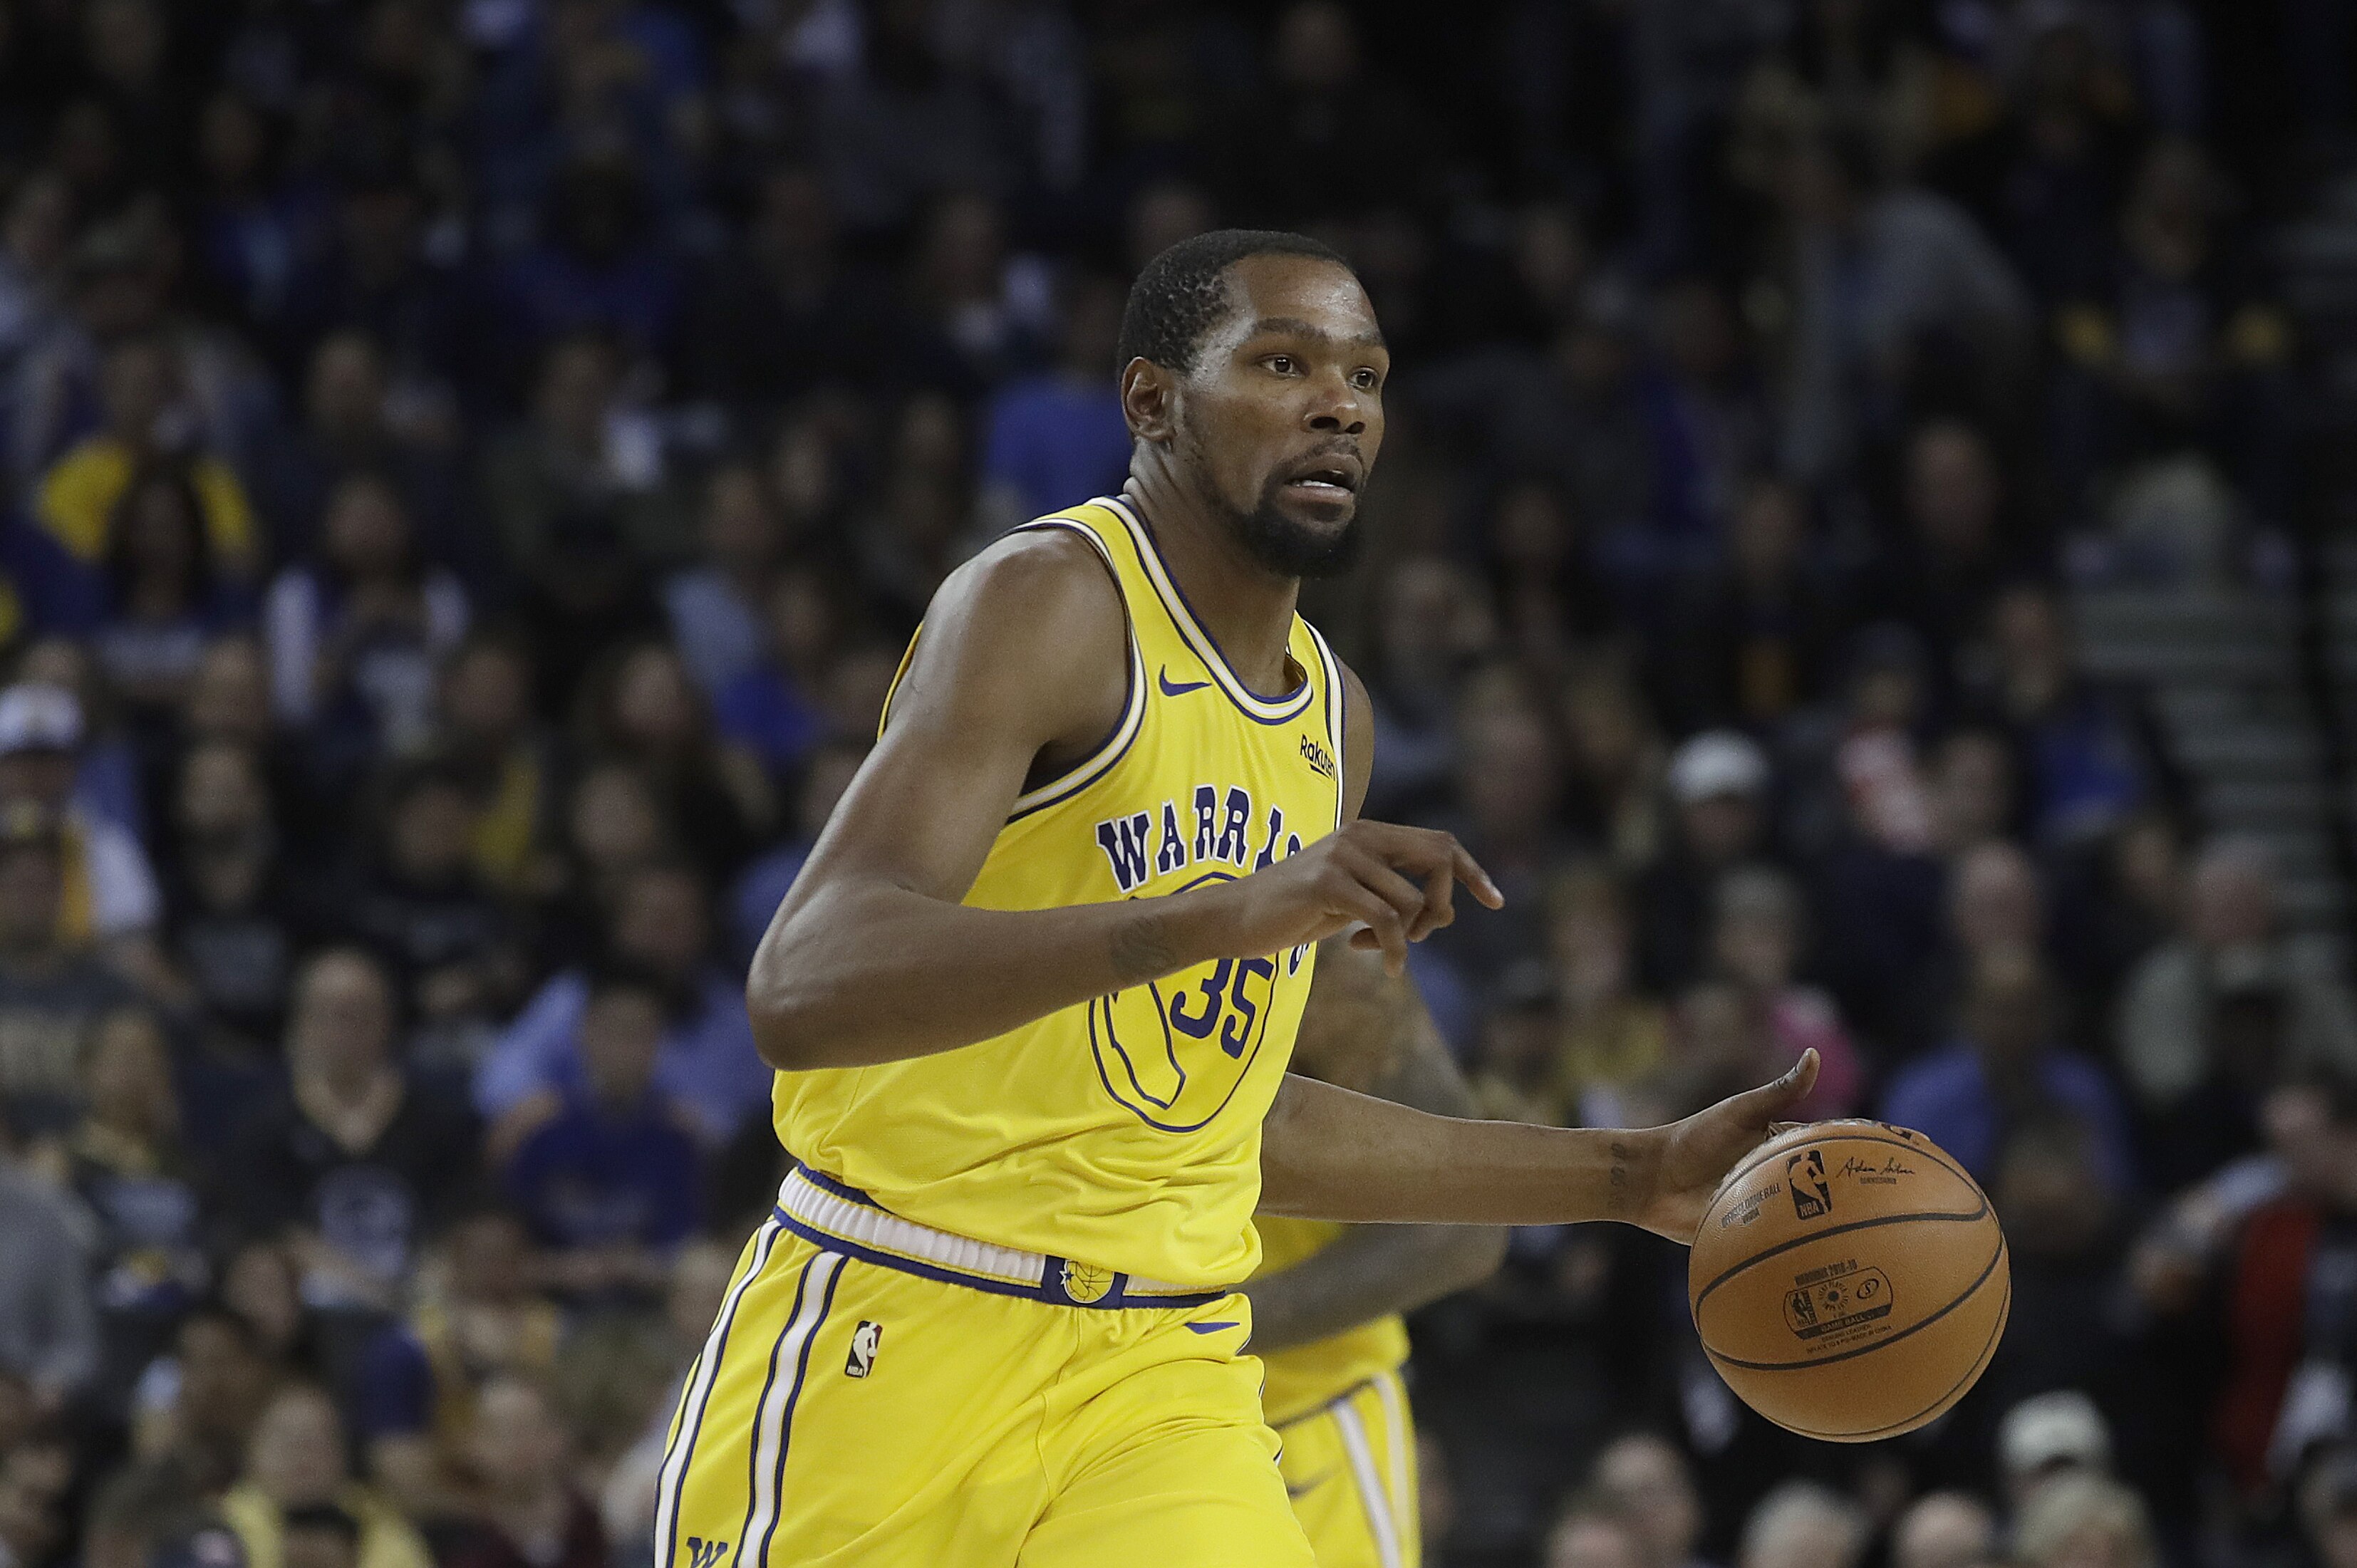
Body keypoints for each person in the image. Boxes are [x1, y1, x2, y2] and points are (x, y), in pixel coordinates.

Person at [673, 230, 1819, 1565]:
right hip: (902, 1316)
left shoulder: (1332, 718)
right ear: (1152, 401)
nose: (1340, 406)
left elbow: (1234, 1124)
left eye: (1366, 378)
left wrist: (1628, 1173)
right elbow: (802, 986)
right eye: (1283, 364)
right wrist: (1226, 914)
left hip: (1161, 1368)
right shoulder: (1051, 602)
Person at [1248, 935, 1506, 1567]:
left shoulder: (1310, 938)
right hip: (1069, 1400)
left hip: (1294, 1421)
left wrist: (1212, 1321)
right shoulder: (1031, 908)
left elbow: (1462, 1224)